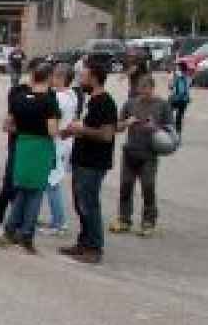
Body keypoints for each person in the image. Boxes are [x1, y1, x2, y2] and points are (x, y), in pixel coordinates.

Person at [0, 60, 62, 253]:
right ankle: (27, 233)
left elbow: (7, 125)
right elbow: (52, 130)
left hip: (22, 144)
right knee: (35, 192)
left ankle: (10, 227)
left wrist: (23, 128)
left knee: (22, 188)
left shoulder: (19, 99)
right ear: (49, 78)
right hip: (41, 147)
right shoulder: (49, 101)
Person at [60, 63, 117, 264]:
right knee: (80, 203)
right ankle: (83, 242)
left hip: (93, 163)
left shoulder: (105, 102)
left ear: (93, 78)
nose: (79, 80)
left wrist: (80, 130)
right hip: (82, 160)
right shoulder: (91, 101)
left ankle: (94, 247)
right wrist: (72, 130)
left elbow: (107, 135)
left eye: (83, 76)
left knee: (89, 204)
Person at [113, 70, 171, 236]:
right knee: (125, 186)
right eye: (140, 89)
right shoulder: (130, 104)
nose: (143, 93)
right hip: (130, 151)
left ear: (153, 88)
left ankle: (148, 221)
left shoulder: (162, 105)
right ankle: (124, 219)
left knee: (148, 186)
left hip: (149, 154)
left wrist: (155, 128)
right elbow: (116, 127)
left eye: (146, 89)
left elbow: (171, 129)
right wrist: (126, 123)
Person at [0, 67, 30, 238]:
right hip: (17, 150)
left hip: (24, 151)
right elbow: (6, 126)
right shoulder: (15, 112)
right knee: (10, 187)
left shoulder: (23, 106)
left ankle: (12, 224)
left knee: (17, 190)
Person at [43, 62, 78, 236]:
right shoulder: (71, 95)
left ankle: (59, 223)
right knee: (52, 181)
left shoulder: (60, 98)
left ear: (62, 78)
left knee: (52, 182)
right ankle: (57, 220)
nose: (52, 78)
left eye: (55, 75)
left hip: (57, 144)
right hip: (65, 144)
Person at [169, 59, 191, 134]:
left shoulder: (178, 76)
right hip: (184, 100)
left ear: (180, 67)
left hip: (177, 99)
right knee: (179, 117)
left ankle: (172, 130)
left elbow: (173, 87)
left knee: (169, 113)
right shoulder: (188, 77)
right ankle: (178, 133)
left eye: (178, 66)